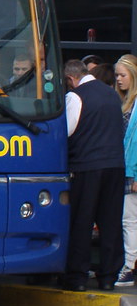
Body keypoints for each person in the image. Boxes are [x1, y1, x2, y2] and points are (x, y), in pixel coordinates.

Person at [62, 59, 126, 291]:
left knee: (82, 222)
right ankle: (108, 276)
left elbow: (66, 132)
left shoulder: (75, 96)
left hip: (87, 166)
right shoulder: (111, 95)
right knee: (110, 222)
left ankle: (77, 277)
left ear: (70, 79)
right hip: (115, 166)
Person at [115, 54, 137, 286]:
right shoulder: (126, 102)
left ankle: (129, 267)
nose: (119, 80)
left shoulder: (133, 104)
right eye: (117, 75)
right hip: (128, 170)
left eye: (123, 75)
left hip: (132, 171)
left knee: (129, 221)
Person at [115, 54, 137, 121]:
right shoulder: (119, 99)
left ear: (134, 76)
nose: (118, 78)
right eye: (116, 75)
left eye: (123, 75)